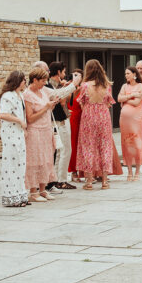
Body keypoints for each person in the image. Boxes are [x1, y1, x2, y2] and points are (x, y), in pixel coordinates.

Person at [75, 60, 118, 189]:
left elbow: (81, 102)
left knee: (88, 147)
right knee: (105, 147)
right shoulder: (106, 85)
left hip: (88, 116)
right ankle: (104, 181)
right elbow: (109, 103)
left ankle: (89, 181)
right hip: (103, 116)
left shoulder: (85, 86)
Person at [24, 66, 60, 201]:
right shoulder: (27, 94)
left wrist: (51, 106)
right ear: (34, 80)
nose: (45, 83)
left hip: (46, 129)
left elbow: (46, 109)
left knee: (46, 159)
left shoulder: (43, 92)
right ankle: (33, 191)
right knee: (35, 160)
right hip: (35, 130)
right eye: (43, 81)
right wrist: (46, 107)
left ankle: (43, 189)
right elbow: (30, 118)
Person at [0, 71, 29, 207]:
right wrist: (19, 121)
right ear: (17, 81)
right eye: (23, 80)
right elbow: (3, 114)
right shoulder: (7, 96)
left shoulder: (20, 95)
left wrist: (24, 128)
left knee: (20, 163)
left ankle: (21, 194)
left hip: (19, 133)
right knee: (11, 164)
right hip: (10, 133)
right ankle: (11, 196)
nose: (25, 83)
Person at [47, 62, 77, 190]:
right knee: (65, 150)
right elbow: (61, 101)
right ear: (58, 72)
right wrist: (72, 85)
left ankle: (57, 179)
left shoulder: (54, 85)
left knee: (60, 151)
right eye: (63, 72)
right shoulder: (50, 86)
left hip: (60, 119)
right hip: (58, 121)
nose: (64, 75)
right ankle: (62, 180)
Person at [118, 66, 142, 180]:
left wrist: (125, 99)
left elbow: (136, 103)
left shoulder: (141, 86)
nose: (126, 76)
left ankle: (137, 171)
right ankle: (129, 171)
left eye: (128, 73)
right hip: (124, 120)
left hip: (136, 119)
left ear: (134, 74)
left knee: (136, 143)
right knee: (126, 144)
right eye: (125, 74)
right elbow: (119, 98)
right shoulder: (124, 86)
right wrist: (130, 95)